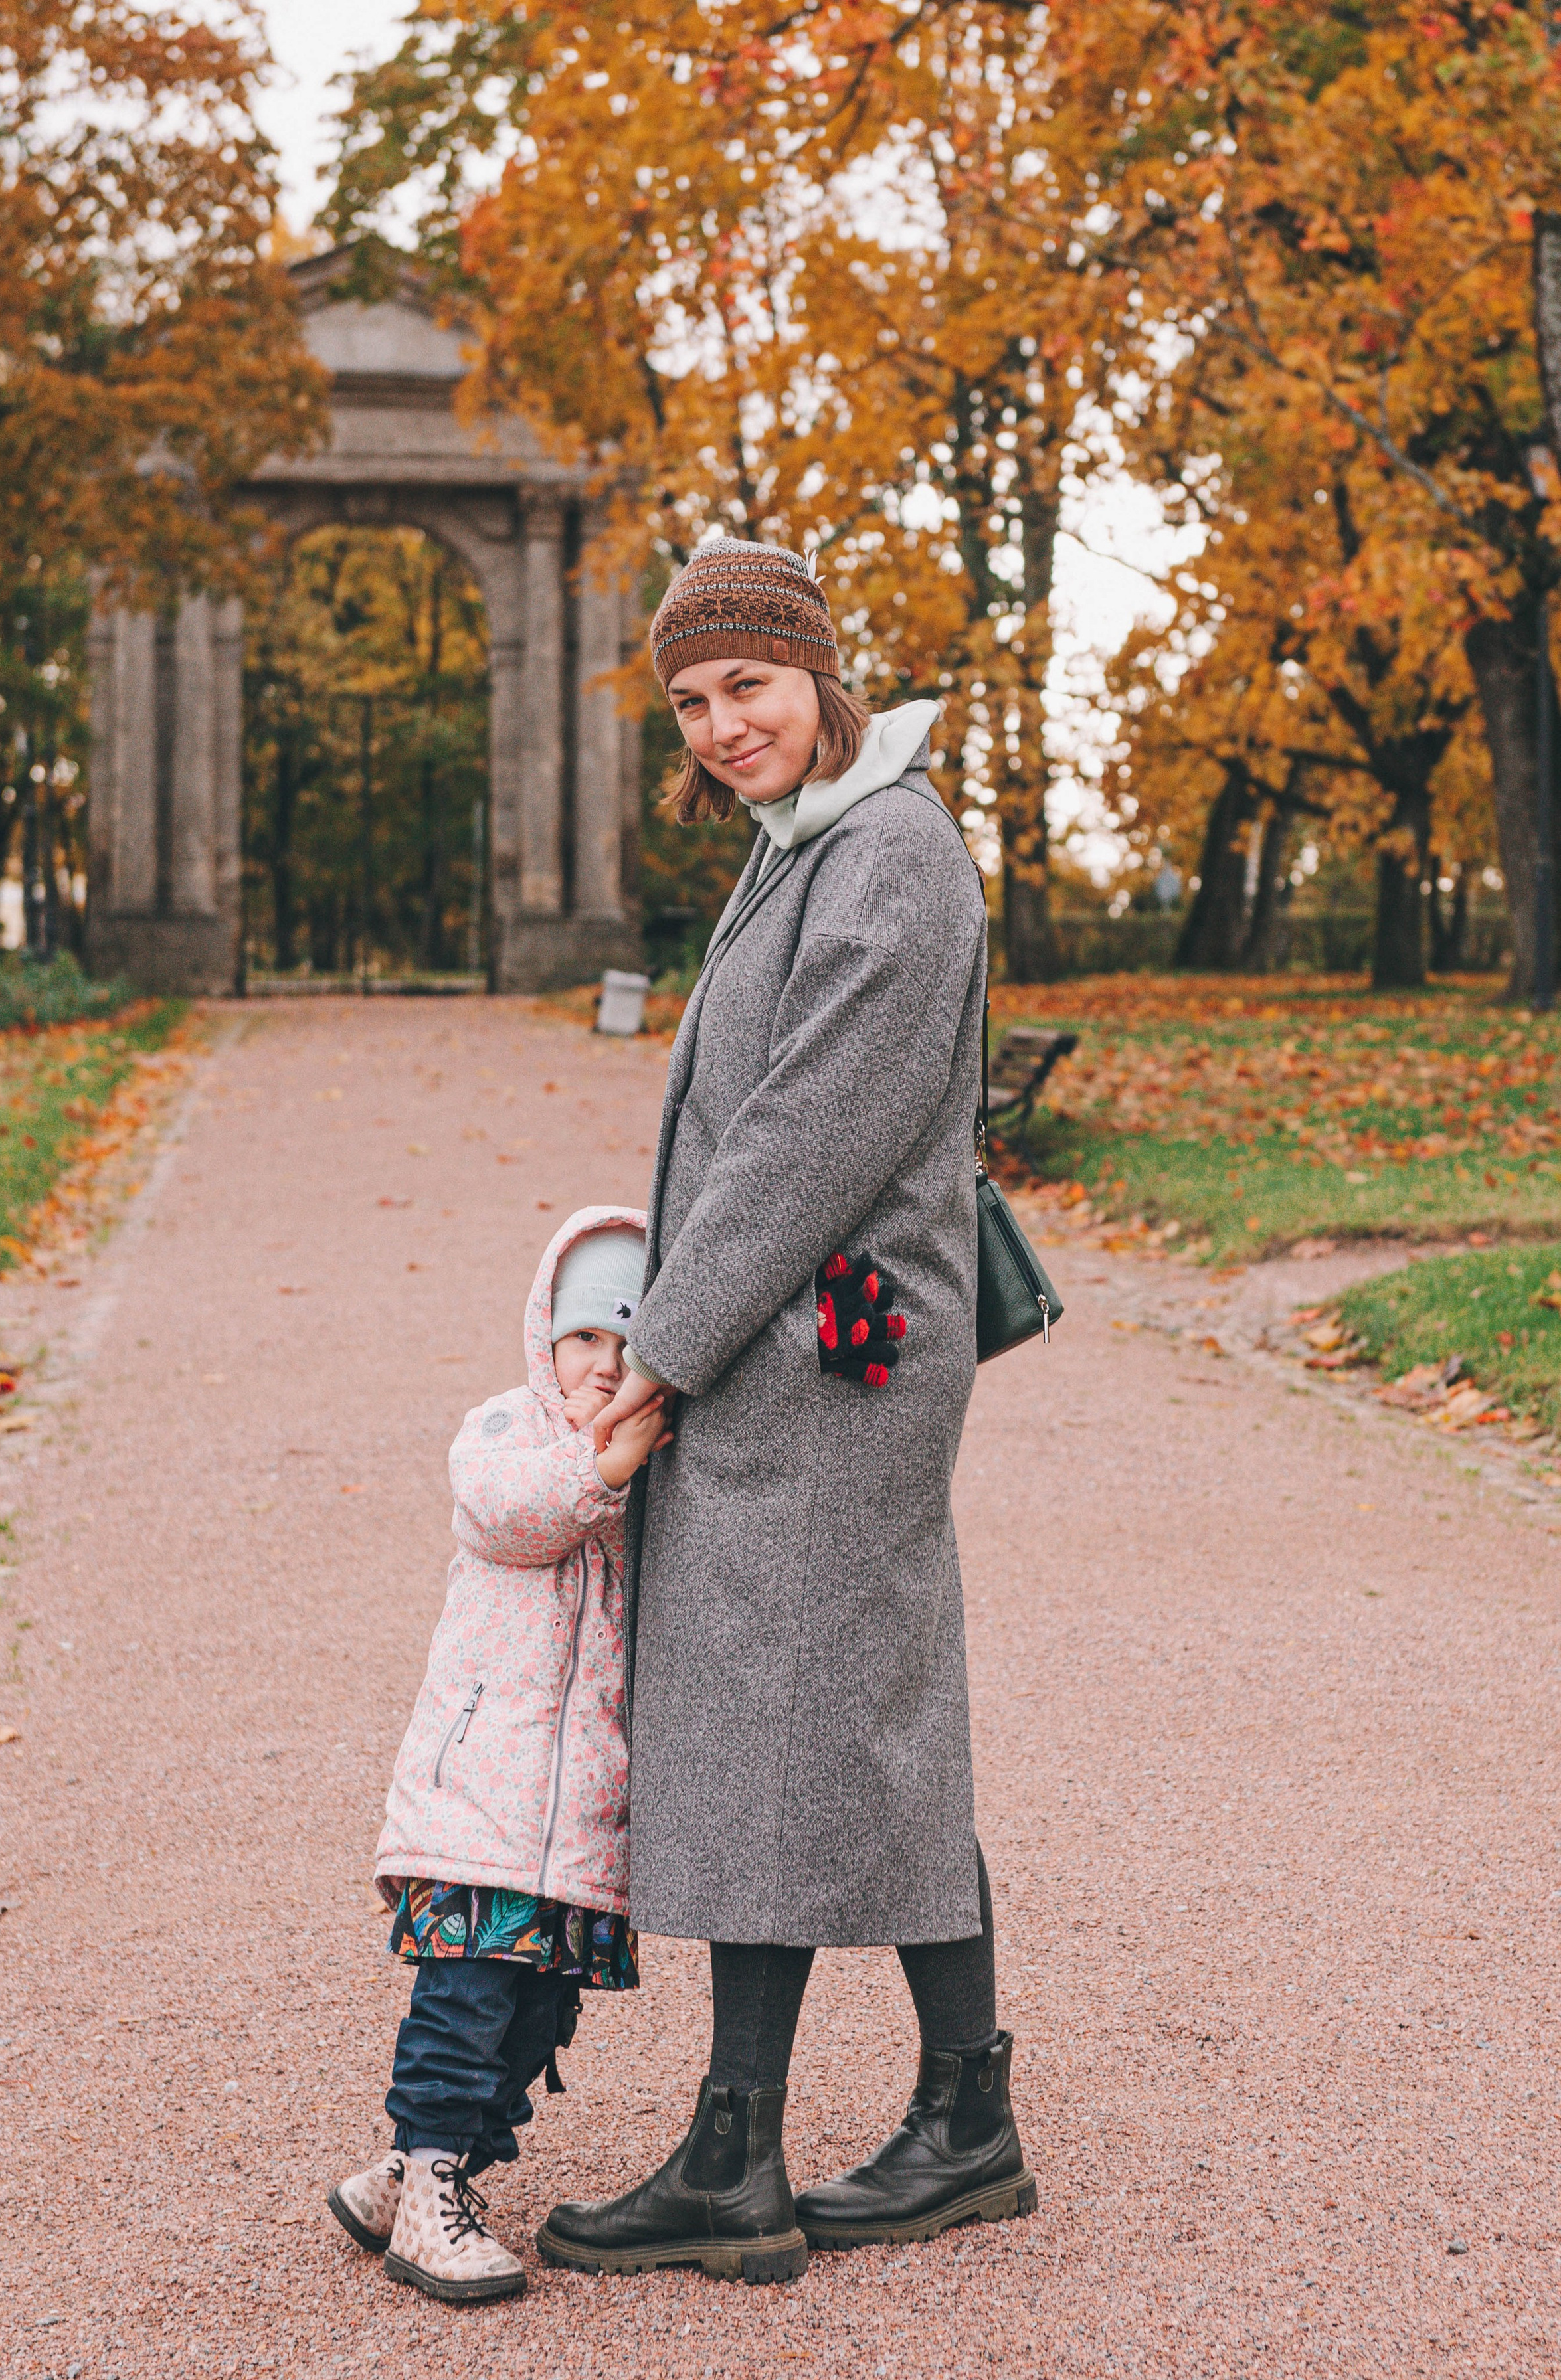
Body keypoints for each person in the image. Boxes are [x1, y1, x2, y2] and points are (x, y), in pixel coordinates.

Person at [536, 539, 1035, 2287]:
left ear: (821, 674)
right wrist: (637, 1323)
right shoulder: (807, 845)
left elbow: (800, 1146)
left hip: (832, 1360)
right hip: (807, 1348)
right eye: (691, 701)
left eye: (748, 684)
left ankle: (739, 2159)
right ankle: (965, 2116)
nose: (722, 724)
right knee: (853, 1715)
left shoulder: (891, 854)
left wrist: (654, 1358)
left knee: (782, 1713)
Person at [327, 1208, 666, 2304]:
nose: (600, 1369)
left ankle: (408, 2177)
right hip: (485, 1796)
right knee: (464, 1997)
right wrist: (597, 1462)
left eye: (628, 1351)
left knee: (539, 2012)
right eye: (583, 1343)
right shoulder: (508, 1434)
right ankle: (430, 2183)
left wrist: (632, 1458)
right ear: (543, 1339)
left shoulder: (650, 1470)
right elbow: (504, 1516)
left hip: (576, 1819)